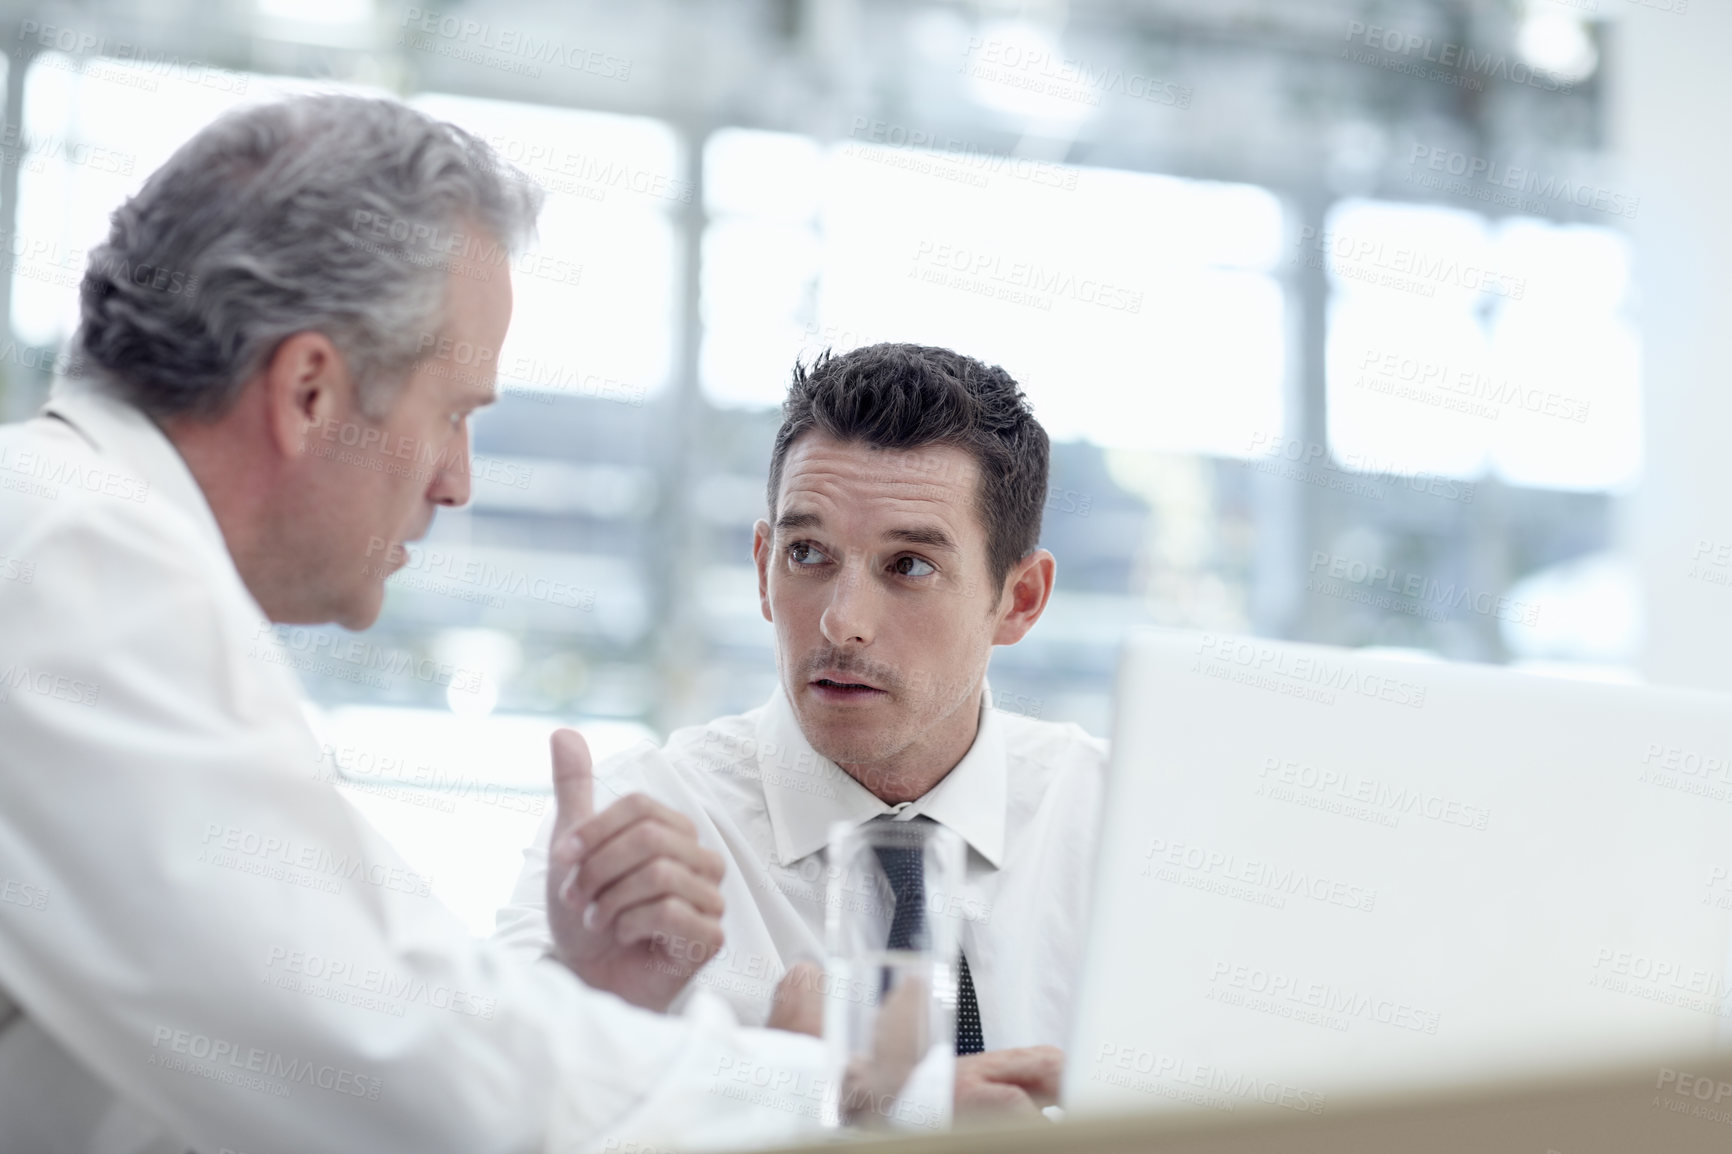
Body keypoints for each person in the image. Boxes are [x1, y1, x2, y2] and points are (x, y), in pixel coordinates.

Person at [0, 93, 835, 1154]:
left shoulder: (81, 545)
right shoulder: (77, 562)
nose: (459, 481)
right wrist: (826, 1095)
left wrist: (592, 999)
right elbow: (367, 1052)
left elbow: (301, 1028)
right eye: (453, 413)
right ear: (309, 390)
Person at [497, 343, 1105, 1115]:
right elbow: (494, 1114)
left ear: (1019, 600)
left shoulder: (1121, 828)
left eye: (909, 565)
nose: (841, 622)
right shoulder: (637, 829)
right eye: (807, 553)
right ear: (761, 567)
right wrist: (776, 1103)